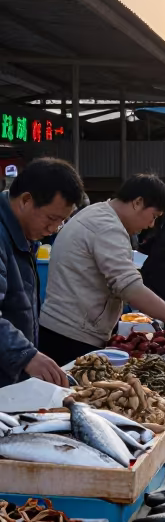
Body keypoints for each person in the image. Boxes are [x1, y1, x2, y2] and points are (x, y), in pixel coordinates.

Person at [39, 174, 165, 364]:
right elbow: (129, 287)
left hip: (64, 329)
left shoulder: (98, 213)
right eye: (153, 216)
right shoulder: (107, 226)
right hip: (71, 335)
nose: (151, 224)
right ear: (137, 202)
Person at [0, 158, 84, 388]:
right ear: (26, 200)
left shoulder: (25, 236)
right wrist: (26, 355)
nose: (53, 229)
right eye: (51, 218)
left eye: (61, 221)